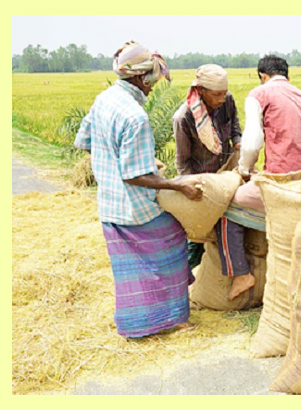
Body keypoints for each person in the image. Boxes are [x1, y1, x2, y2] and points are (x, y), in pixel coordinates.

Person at [74, 40, 204, 338]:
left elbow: (85, 141)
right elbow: (134, 176)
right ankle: (175, 319)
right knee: (173, 241)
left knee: (129, 268)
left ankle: (138, 323)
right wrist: (178, 184)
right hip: (135, 208)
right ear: (138, 77)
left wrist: (118, 158)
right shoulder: (135, 116)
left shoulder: (104, 99)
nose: (152, 87)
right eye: (151, 81)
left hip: (110, 204)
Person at [222, 55, 301, 301]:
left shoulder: (259, 94)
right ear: (287, 76)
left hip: (281, 182)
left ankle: (241, 274)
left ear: (262, 76)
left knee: (226, 206)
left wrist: (244, 170)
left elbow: (252, 142)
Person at [172, 64, 242, 270]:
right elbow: (182, 162)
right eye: (216, 95)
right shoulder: (183, 118)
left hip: (226, 175)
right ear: (201, 91)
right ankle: (186, 277)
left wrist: (238, 141)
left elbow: (236, 126)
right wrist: (192, 187)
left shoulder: (227, 101)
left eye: (224, 94)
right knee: (199, 236)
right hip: (202, 181)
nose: (221, 99)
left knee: (229, 227)